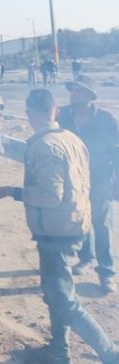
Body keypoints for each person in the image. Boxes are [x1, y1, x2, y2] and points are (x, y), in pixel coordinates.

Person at [0, 89, 119, 363]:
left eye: (27, 113)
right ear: (55, 111)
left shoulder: (45, 146)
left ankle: (109, 353)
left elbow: (51, 196)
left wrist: (13, 191)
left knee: (64, 301)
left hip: (58, 232)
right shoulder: (71, 138)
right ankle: (59, 351)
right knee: (56, 294)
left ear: (30, 113)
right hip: (72, 224)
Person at [57, 75, 119, 293]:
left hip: (100, 178)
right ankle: (85, 259)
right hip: (74, 178)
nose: (74, 94)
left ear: (90, 96)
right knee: (80, 218)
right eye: (73, 90)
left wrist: (116, 181)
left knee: (101, 224)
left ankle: (107, 272)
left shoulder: (106, 119)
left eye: (79, 91)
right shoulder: (63, 115)